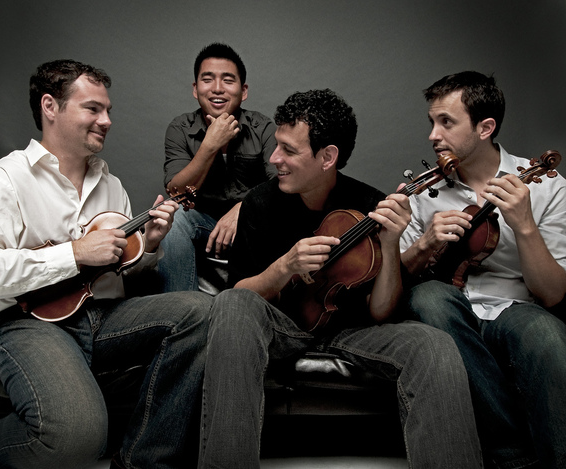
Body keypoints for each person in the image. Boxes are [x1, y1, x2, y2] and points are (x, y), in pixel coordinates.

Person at [199, 89, 483, 468]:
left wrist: (390, 243)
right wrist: (285, 266)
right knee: (233, 304)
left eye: (289, 150)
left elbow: (381, 312)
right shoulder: (259, 203)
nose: (274, 158)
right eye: (278, 146)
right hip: (281, 327)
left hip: (352, 330)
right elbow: (237, 295)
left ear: (327, 157)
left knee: (434, 344)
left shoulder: (368, 203)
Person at [0, 59, 212, 469]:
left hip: (102, 317)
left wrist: (150, 245)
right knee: (76, 438)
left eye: (108, 110)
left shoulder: (111, 186)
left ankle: (142, 461)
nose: (107, 120)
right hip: (27, 321)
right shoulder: (5, 179)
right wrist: (75, 253)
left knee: (202, 310)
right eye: (93, 108)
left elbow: (119, 275)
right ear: (50, 106)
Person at [400, 71, 566, 469]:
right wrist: (425, 244)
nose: (433, 135)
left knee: (547, 335)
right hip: (448, 307)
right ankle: (513, 458)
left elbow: (552, 293)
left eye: (446, 122)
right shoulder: (425, 190)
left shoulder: (546, 186)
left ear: (485, 128)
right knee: (429, 297)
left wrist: (524, 225)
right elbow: (396, 279)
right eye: (432, 122)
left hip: (514, 307)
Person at [158, 42, 276, 292]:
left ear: (243, 91)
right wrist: (210, 145)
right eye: (208, 79)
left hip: (252, 227)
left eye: (228, 80)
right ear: (195, 89)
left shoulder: (263, 128)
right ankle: (182, 308)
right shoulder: (180, 128)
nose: (217, 88)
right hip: (203, 225)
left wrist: (243, 208)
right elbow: (176, 193)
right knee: (173, 215)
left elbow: (282, 183)